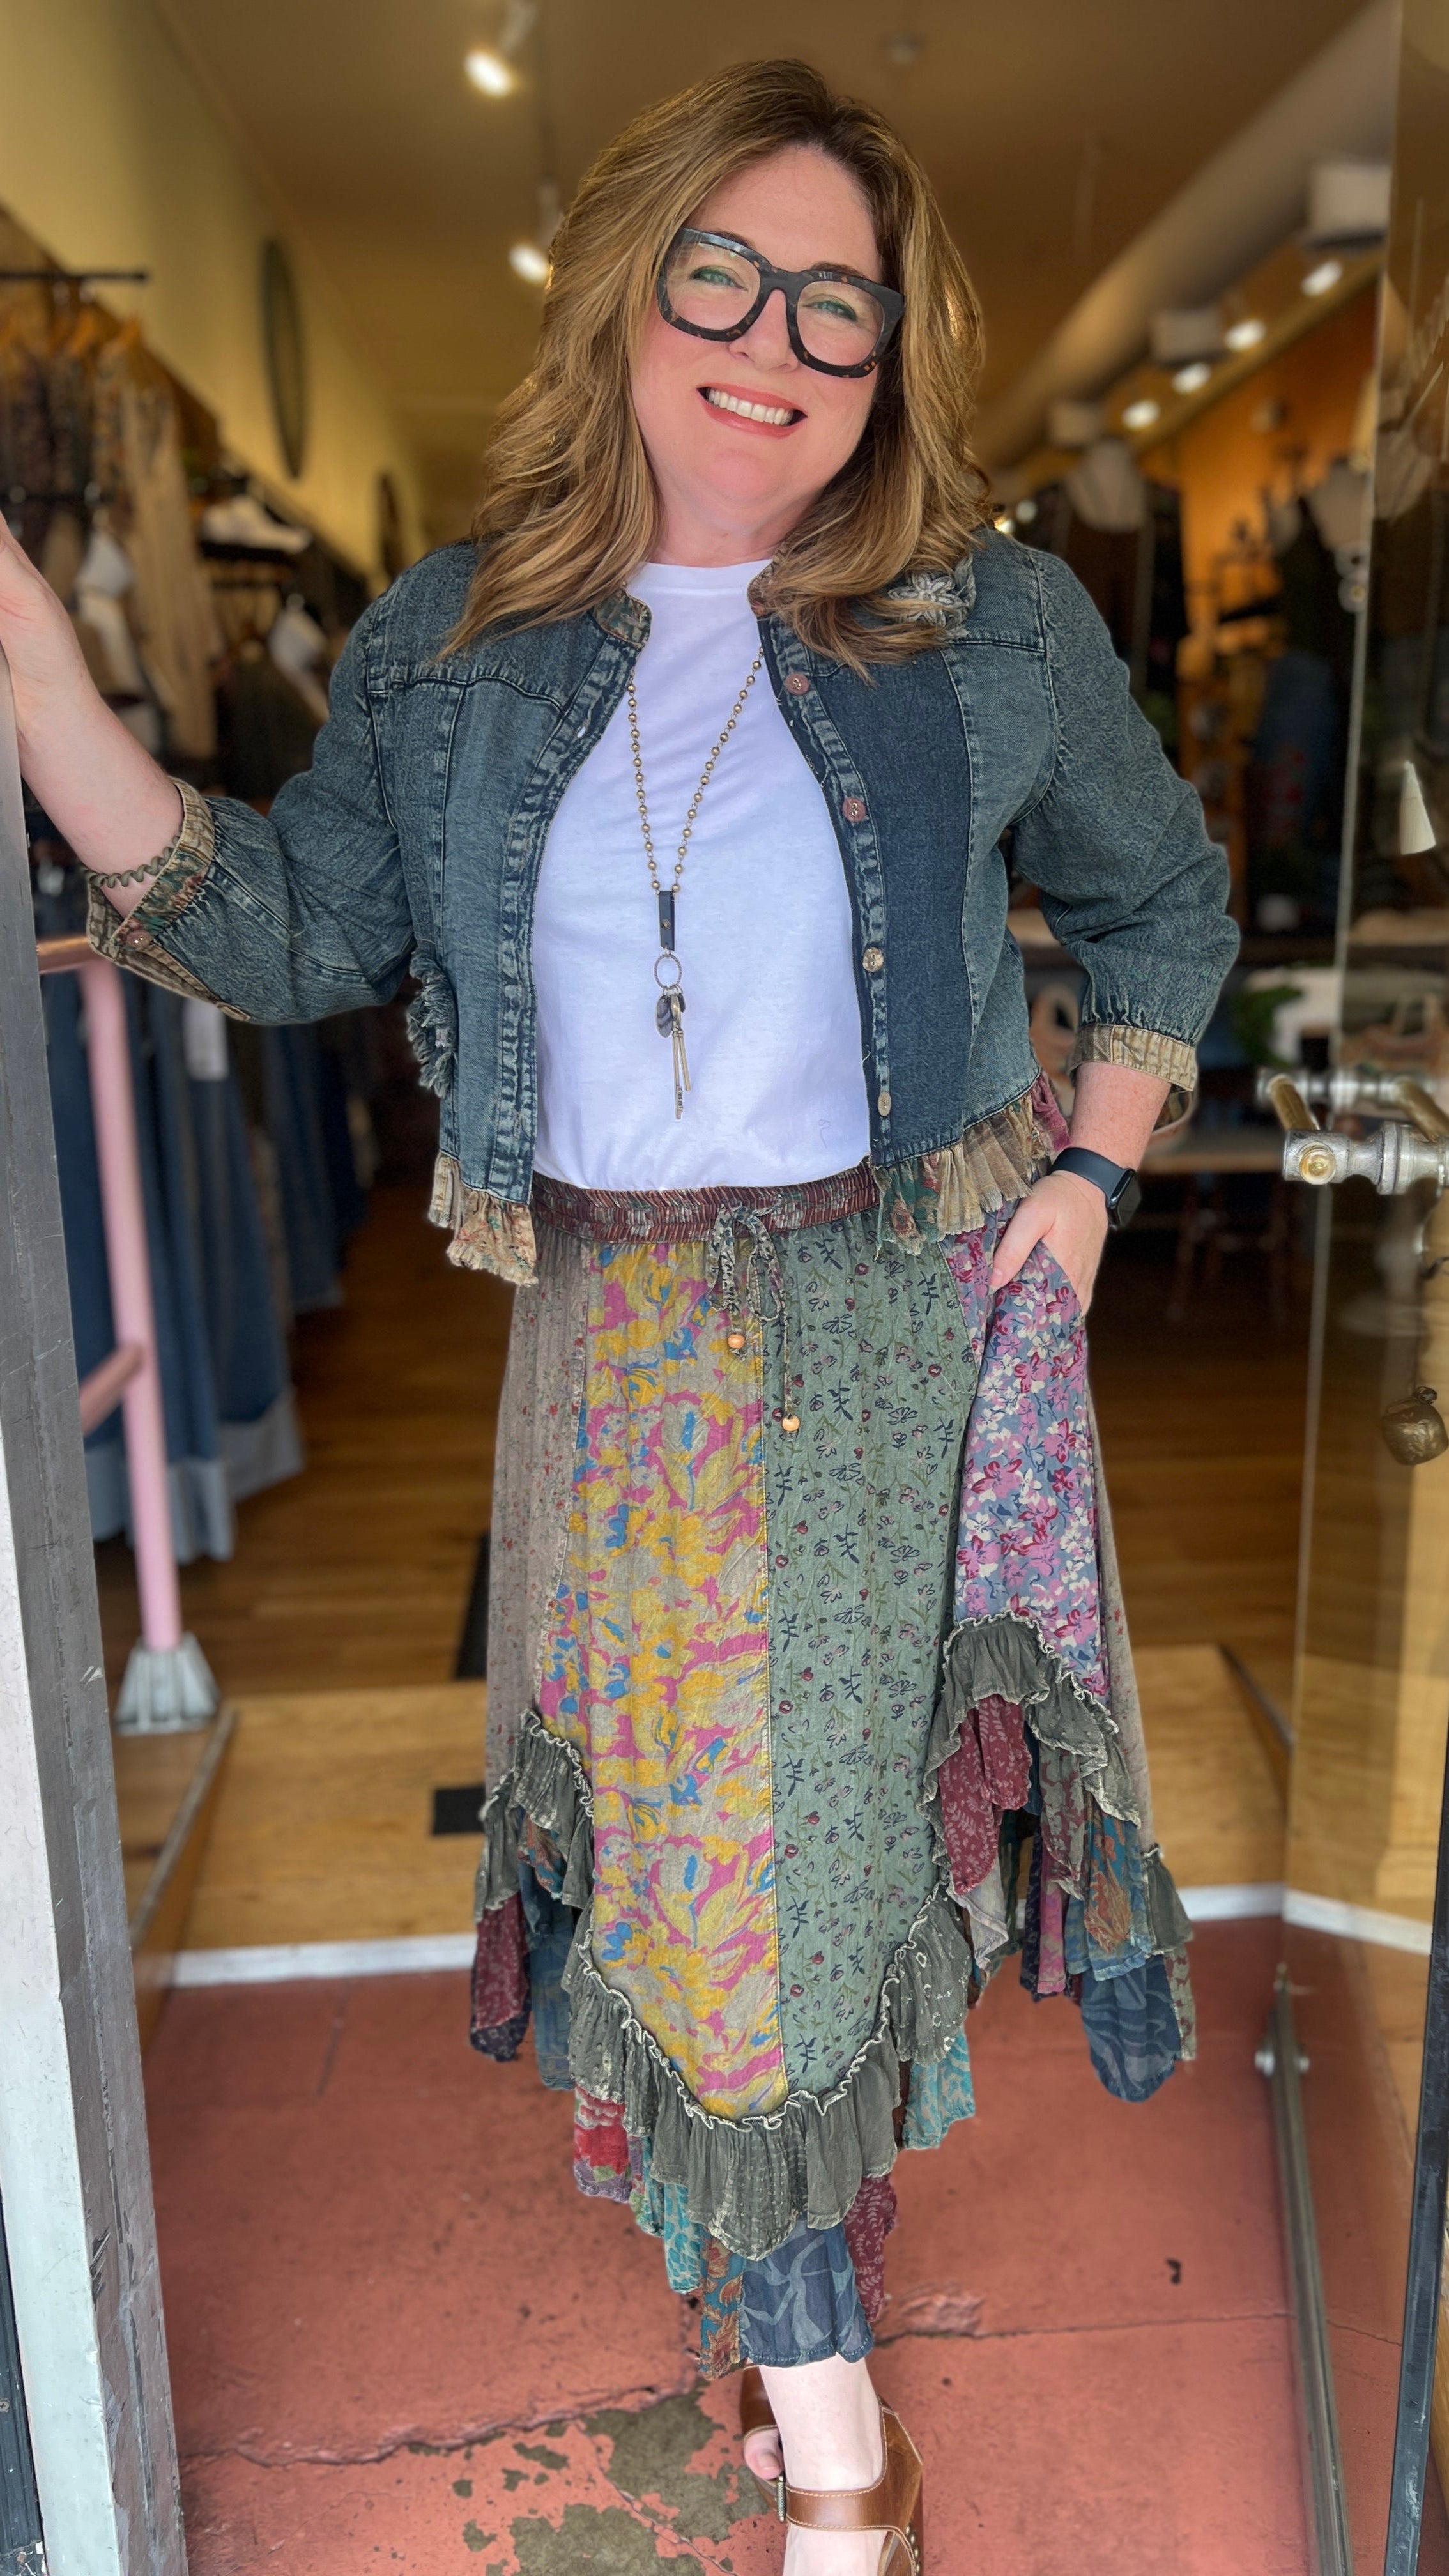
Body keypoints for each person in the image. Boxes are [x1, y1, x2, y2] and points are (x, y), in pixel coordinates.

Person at [0, 59, 1238, 2575]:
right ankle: (809, 2355)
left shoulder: (989, 620)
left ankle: (821, 2369)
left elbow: (1167, 914)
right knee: (730, 1872)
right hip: (629, 1344)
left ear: (892, 356)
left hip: (904, 1317)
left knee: (798, 1852)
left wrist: (1101, 1176)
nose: (776, 343)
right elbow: (293, 934)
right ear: (626, 288)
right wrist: (40, 670)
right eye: (727, 276)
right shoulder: (456, 646)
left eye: (841, 310)